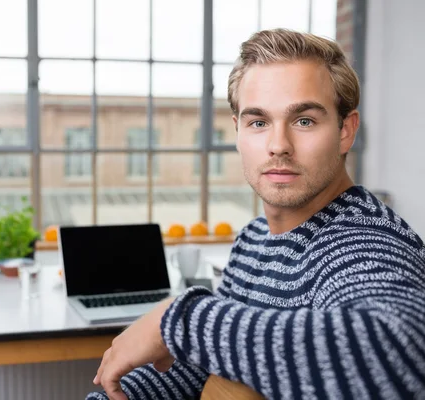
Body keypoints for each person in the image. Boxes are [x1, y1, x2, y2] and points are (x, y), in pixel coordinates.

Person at [87, 28, 425, 400]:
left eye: (304, 121)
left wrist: (179, 322)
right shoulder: (254, 238)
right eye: (259, 122)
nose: (278, 145)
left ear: (346, 130)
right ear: (238, 130)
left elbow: (397, 356)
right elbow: (208, 364)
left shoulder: (364, 241)